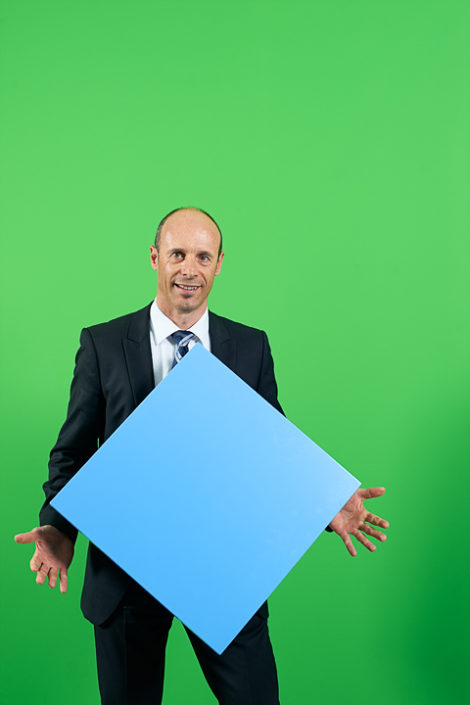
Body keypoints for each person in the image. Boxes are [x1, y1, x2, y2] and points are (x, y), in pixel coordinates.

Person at [15, 207, 389, 705]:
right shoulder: (104, 345)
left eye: (202, 256)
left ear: (218, 265)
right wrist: (60, 528)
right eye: (177, 254)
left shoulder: (250, 347)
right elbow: (73, 452)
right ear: (154, 258)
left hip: (223, 571)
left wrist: (325, 504)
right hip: (126, 573)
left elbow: (270, 453)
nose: (189, 269)